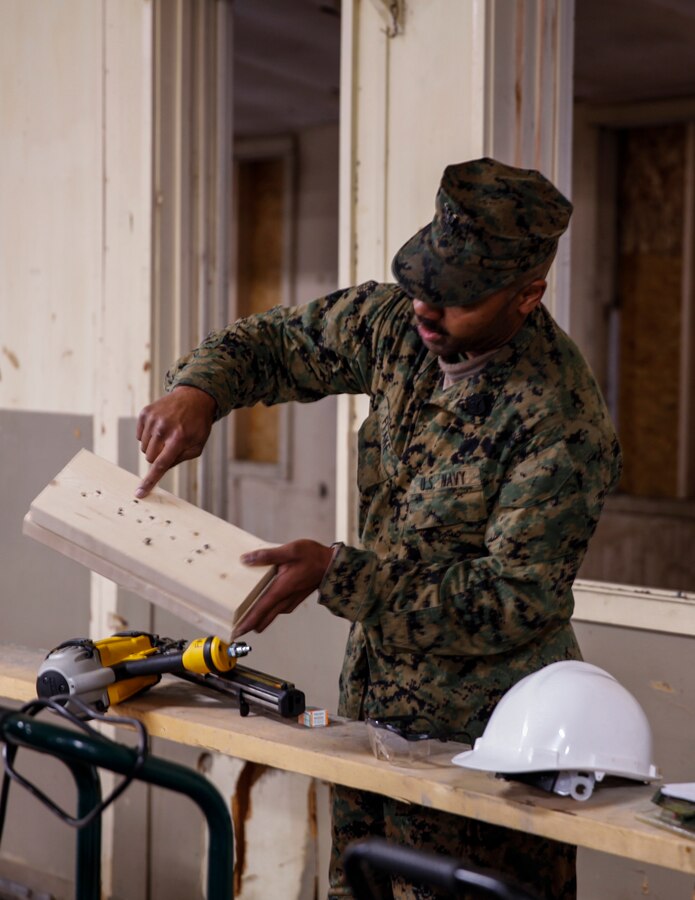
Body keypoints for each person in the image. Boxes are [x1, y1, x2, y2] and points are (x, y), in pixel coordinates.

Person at [136, 157, 621, 899]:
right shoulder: (399, 325)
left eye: (453, 297)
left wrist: (340, 574)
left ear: (527, 295)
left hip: (487, 741)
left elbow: (512, 599)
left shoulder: (557, 419)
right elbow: (274, 343)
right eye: (421, 281)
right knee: (356, 885)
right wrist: (199, 389)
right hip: (370, 709)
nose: (425, 309)